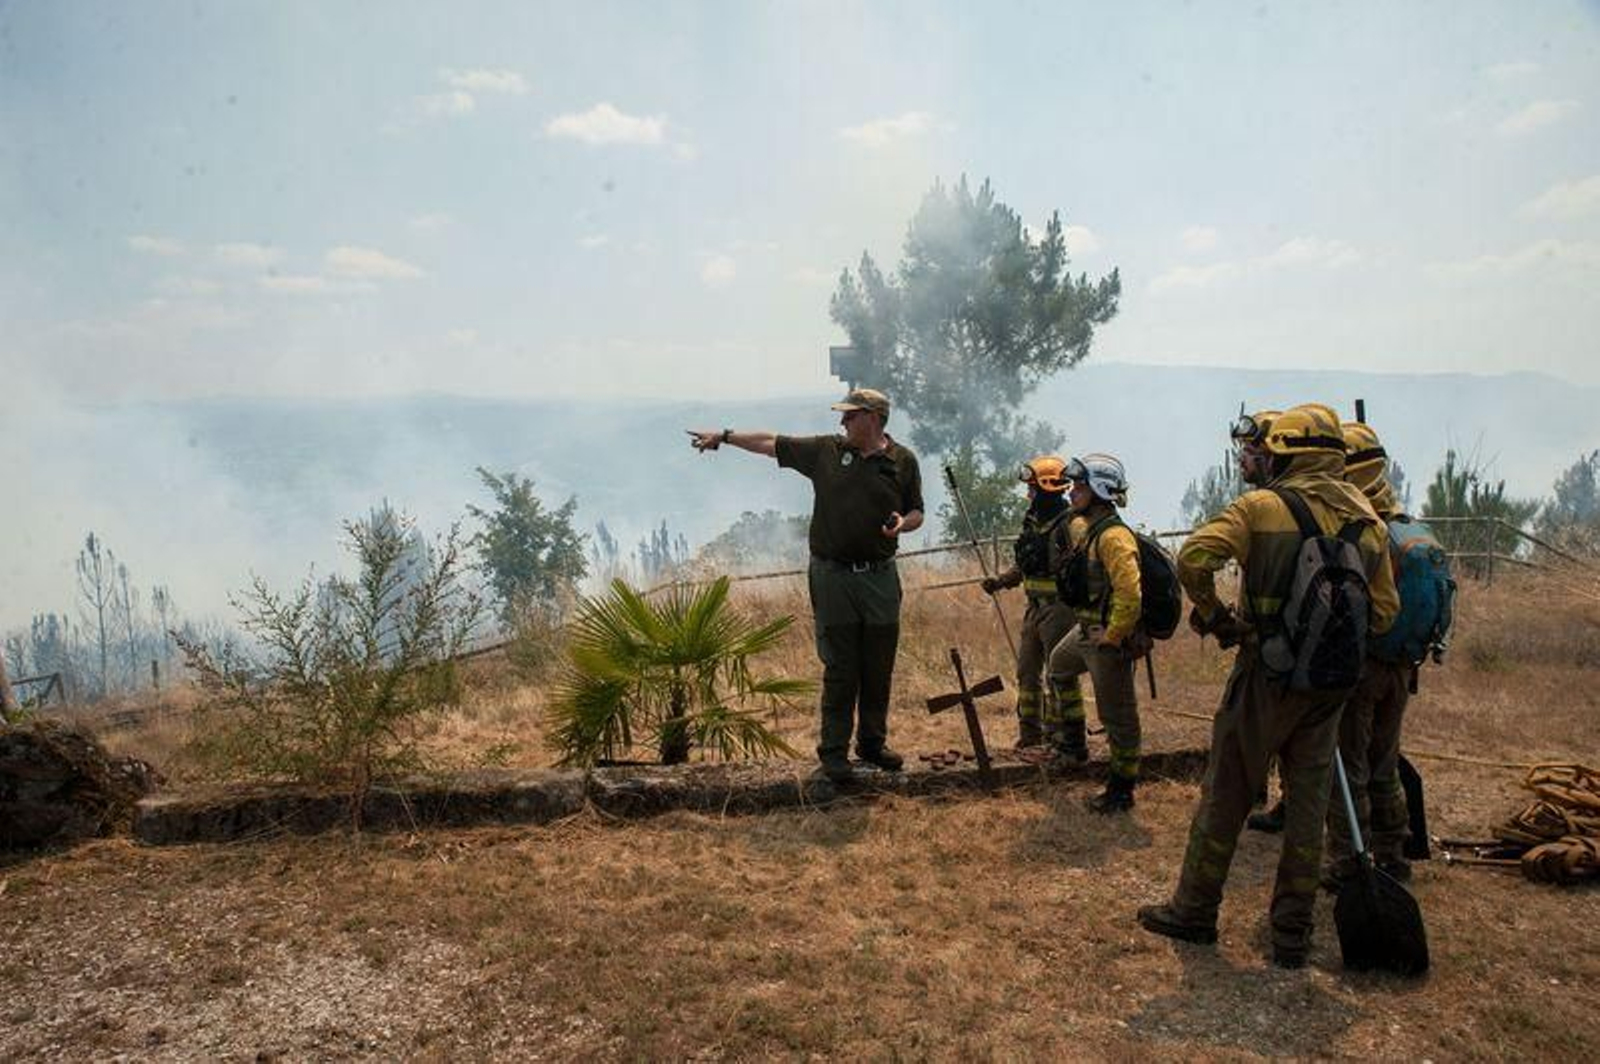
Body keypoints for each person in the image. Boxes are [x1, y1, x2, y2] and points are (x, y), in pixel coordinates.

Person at [1137, 403, 1399, 969]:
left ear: (1288, 454)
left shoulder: (1261, 507)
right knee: (1308, 808)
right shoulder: (1370, 523)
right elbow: (1382, 616)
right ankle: (1291, 935)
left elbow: (1196, 559)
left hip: (1264, 676)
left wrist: (1218, 616)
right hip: (1329, 689)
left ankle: (1194, 910)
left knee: (1227, 791)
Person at [688, 388, 924, 784]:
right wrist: (725, 437)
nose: (842, 422)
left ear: (873, 418)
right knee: (841, 666)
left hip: (881, 576)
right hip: (833, 576)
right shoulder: (826, 452)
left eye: (849, 416)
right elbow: (771, 443)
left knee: (878, 664)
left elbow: (917, 510)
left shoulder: (903, 460)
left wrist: (903, 523)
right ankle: (834, 752)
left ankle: (871, 743)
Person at [1324, 420, 1414, 888]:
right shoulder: (1399, 520)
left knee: (1350, 767)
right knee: (1386, 764)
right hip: (1402, 667)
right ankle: (1394, 854)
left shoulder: (1360, 529)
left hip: (1363, 667)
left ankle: (1347, 863)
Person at [1044, 453, 1147, 812]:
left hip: (1105, 636)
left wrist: (1115, 636)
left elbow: (1130, 593)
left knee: (1118, 716)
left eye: (1081, 485)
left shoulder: (1115, 538)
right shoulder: (1088, 527)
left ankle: (1122, 789)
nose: (1072, 491)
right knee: (1058, 666)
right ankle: (1073, 746)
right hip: (1086, 629)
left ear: (1100, 489)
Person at [980, 455, 1075, 750]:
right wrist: (1001, 581)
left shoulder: (1070, 525)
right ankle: (1030, 734)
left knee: (1058, 674)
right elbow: (1026, 565)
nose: (1028, 494)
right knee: (1026, 672)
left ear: (1047, 489)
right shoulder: (1033, 521)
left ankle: (1063, 736)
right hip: (1034, 608)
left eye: (1032, 488)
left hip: (1059, 609)